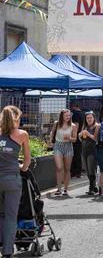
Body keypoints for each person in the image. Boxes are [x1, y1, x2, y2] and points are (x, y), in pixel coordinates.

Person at [0, 106, 31, 258]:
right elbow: (27, 160)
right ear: (16, 118)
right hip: (12, 179)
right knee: (11, 217)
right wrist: (22, 167)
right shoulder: (22, 134)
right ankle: (7, 251)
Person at [50, 109, 77, 196]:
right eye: (66, 115)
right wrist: (50, 141)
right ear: (62, 116)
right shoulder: (56, 123)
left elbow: (75, 139)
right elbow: (52, 132)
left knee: (67, 169)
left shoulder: (73, 126)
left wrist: (69, 138)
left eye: (69, 115)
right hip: (58, 146)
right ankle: (58, 189)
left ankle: (65, 189)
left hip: (68, 146)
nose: (68, 117)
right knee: (59, 167)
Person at [79, 111, 99, 195]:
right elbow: (81, 140)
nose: (89, 119)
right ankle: (94, 186)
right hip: (84, 150)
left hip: (93, 150)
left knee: (91, 169)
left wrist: (88, 134)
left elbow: (96, 139)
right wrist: (79, 135)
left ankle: (91, 188)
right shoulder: (85, 127)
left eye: (91, 117)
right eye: (87, 118)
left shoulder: (97, 126)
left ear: (94, 118)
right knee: (87, 170)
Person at [70, 102, 84, 178]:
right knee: (78, 154)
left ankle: (75, 172)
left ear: (74, 106)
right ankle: (78, 171)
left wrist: (74, 134)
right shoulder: (82, 113)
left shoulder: (75, 114)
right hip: (80, 136)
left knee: (75, 154)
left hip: (76, 136)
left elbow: (76, 125)